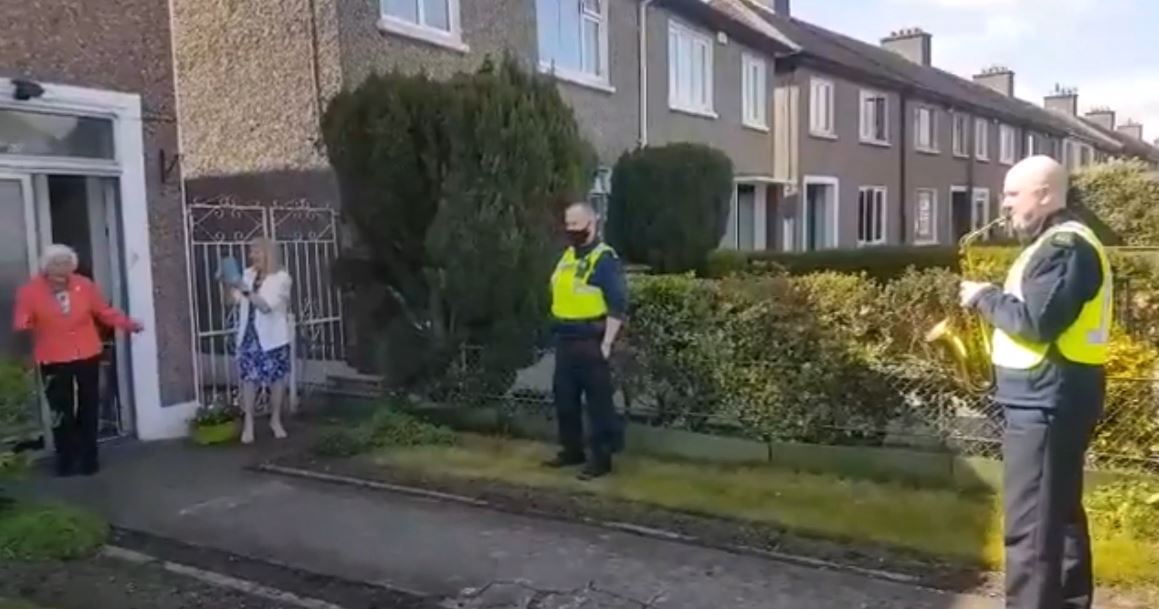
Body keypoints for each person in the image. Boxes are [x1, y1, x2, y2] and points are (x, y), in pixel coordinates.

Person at [959, 155, 1110, 609]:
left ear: (1044, 193)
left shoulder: (1064, 247)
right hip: (1053, 396)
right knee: (1058, 517)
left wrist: (984, 297)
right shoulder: (1061, 243)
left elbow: (1035, 322)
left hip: (1046, 401)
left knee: (1030, 529)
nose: (1004, 205)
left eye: (1012, 194)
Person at [12, 244, 143, 476]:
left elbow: (104, 312)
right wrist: (26, 334)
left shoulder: (85, 285)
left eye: (66, 263)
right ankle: (65, 459)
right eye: (57, 263)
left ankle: (89, 458)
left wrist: (129, 324)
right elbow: (22, 323)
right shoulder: (30, 291)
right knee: (61, 411)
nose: (63, 268)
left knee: (89, 406)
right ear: (46, 266)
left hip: (87, 352)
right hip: (52, 356)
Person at [545, 202, 628, 480]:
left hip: (592, 340)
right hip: (566, 339)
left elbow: (617, 304)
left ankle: (601, 459)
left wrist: (606, 343)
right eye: (568, 224)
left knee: (598, 404)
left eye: (576, 225)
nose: (571, 230)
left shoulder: (605, 259)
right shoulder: (567, 256)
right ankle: (572, 451)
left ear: (592, 224)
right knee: (565, 400)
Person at [228, 237, 293, 444]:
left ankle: (275, 420)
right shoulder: (247, 274)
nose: (252, 256)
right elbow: (233, 301)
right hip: (249, 335)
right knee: (248, 380)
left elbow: (265, 307)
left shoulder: (282, 278)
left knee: (276, 379)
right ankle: (249, 424)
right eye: (251, 252)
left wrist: (244, 288)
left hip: (273, 336)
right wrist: (228, 284)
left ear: (269, 254)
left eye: (256, 252)